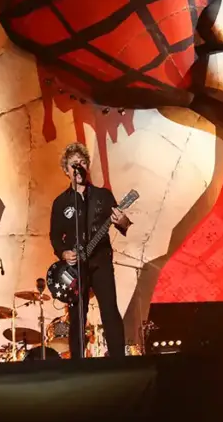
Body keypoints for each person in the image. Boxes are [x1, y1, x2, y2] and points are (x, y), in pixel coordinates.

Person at [49, 142, 131, 359]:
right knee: (77, 314)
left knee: (109, 310)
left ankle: (118, 359)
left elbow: (122, 224)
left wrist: (122, 221)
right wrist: (64, 253)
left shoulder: (103, 196)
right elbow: (55, 237)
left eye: (83, 163)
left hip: (100, 260)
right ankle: (77, 361)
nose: (79, 167)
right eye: (74, 164)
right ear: (66, 170)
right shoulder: (60, 202)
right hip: (76, 267)